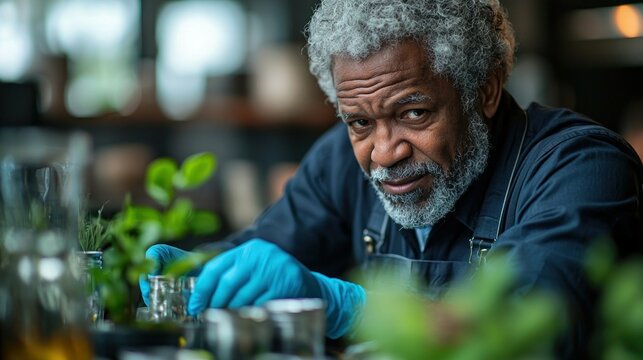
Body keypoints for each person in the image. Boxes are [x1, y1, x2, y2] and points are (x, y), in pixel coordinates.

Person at [140, 0, 643, 357]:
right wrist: (202, 272)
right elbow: (260, 256)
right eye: (360, 122)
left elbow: (528, 330)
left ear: (485, 89)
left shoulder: (583, 167)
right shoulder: (340, 161)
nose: (384, 152)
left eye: (415, 113)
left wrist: (342, 306)